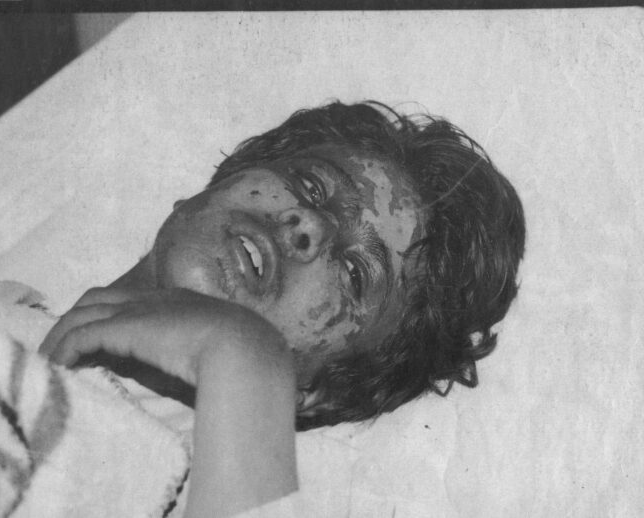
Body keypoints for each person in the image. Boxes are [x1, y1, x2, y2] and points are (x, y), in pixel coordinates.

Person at [39, 101, 525, 518]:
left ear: (318, 394)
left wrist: (242, 358)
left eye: (355, 274)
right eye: (312, 186)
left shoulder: (281, 495)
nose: (308, 224)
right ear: (216, 184)